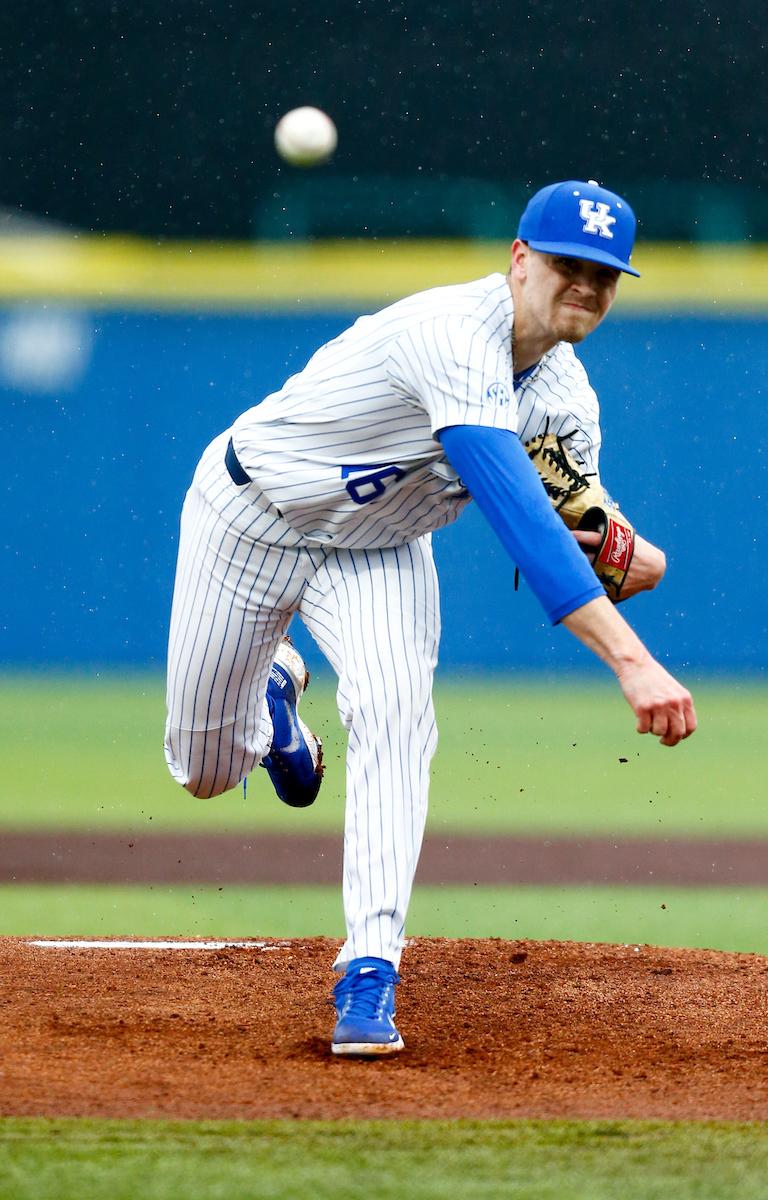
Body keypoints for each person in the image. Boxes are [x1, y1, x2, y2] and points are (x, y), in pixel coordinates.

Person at [164, 179, 697, 1058]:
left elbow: (573, 514)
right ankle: (274, 703)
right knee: (205, 770)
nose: (586, 289)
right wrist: (632, 660)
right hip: (251, 516)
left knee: (395, 714)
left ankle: (369, 968)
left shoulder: (566, 397)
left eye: (606, 275)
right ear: (520, 260)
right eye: (569, 265)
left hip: (381, 549)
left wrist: (622, 543)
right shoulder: (452, 335)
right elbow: (523, 521)